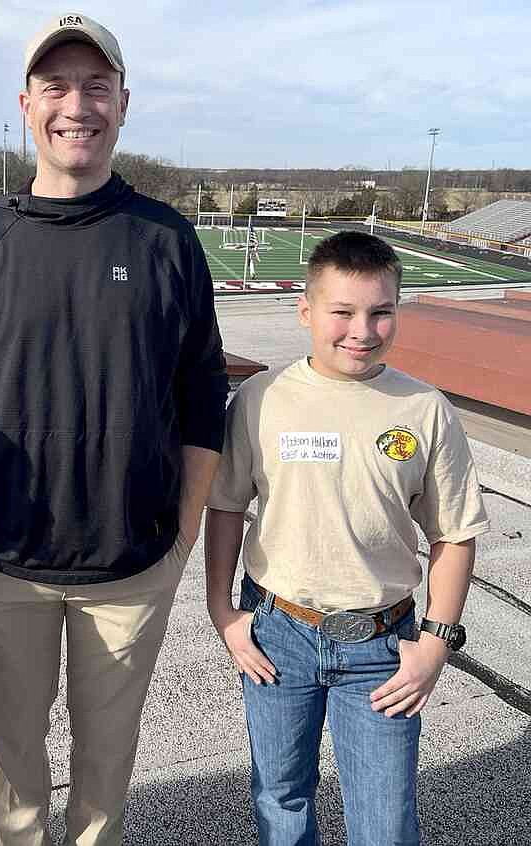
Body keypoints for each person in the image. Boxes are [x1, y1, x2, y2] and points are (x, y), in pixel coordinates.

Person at [0, 12, 228, 846]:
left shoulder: (167, 239)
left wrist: (185, 529)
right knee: (14, 762)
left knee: (106, 762)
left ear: (125, 102)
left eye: (96, 86)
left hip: (132, 559)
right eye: (57, 86)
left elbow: (202, 394)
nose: (76, 105)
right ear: (26, 104)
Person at [205, 231, 489, 845]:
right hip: (277, 635)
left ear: (397, 311)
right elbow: (225, 506)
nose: (361, 330)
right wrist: (222, 610)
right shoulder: (261, 399)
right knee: (280, 800)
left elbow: (455, 534)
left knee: (384, 823)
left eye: (380, 312)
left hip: (382, 647)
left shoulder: (423, 409)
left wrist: (436, 644)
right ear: (306, 310)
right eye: (342, 312)